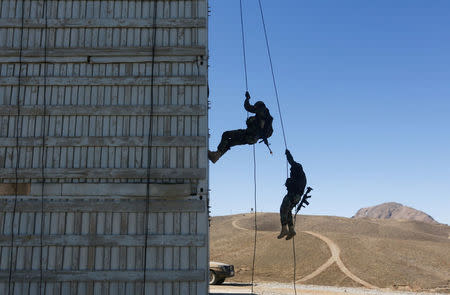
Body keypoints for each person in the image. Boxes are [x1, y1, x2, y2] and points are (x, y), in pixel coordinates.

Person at [208, 91, 273, 163]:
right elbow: (267, 132)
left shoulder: (263, 110)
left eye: (255, 107)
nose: (255, 109)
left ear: (259, 106)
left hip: (249, 135)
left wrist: (247, 99)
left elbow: (248, 108)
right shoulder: (264, 118)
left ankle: (217, 153)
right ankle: (216, 156)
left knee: (226, 134)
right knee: (229, 143)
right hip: (251, 139)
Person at [278, 149, 307, 240]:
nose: (290, 172)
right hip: (296, 197)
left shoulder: (298, 172)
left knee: (283, 209)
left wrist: (288, 154)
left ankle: (284, 229)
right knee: (288, 211)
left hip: (292, 195)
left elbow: (292, 162)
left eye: (291, 171)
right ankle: (291, 230)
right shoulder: (301, 176)